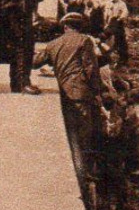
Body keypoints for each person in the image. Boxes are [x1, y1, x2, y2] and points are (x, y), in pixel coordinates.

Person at [34, 10, 104, 188]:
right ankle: (85, 174)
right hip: (80, 94)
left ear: (65, 26)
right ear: (79, 27)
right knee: (84, 135)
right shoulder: (84, 41)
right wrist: (98, 91)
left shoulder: (53, 44)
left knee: (71, 132)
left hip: (64, 93)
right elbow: (90, 68)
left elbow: (35, 62)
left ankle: (78, 173)